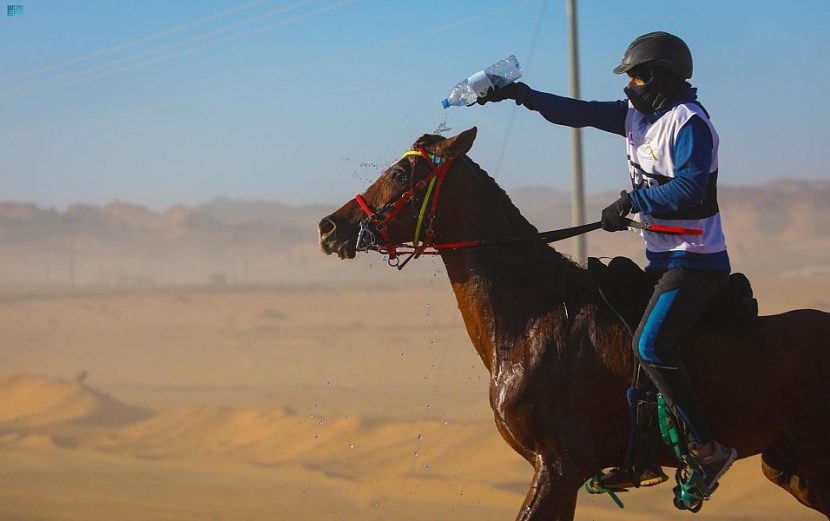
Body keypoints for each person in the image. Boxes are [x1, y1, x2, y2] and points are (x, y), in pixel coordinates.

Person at [477, 31, 737, 494]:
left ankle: (707, 450)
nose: (629, 85)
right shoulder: (634, 117)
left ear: (658, 76)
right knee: (622, 347)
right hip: (661, 259)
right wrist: (519, 95)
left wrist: (632, 202)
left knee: (652, 348)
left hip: (695, 262)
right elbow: (574, 112)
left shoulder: (688, 123)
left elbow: (692, 189)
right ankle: (640, 453)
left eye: (636, 75)